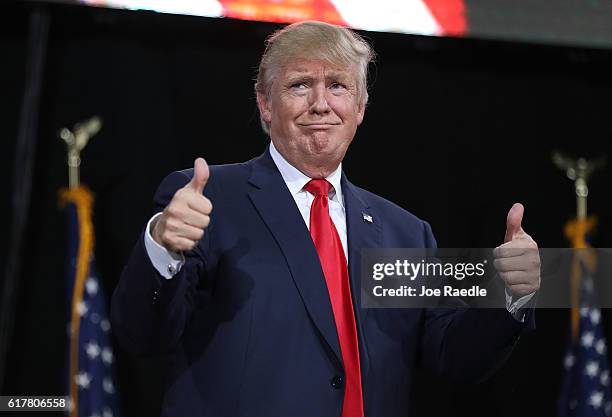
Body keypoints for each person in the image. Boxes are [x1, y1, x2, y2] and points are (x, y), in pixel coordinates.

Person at [111, 20, 540, 417]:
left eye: (338, 86)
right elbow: (142, 334)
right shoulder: (209, 200)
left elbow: (453, 354)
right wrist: (162, 246)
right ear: (265, 104)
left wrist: (510, 296)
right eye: (300, 85)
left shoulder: (404, 231)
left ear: (360, 108)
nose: (321, 104)